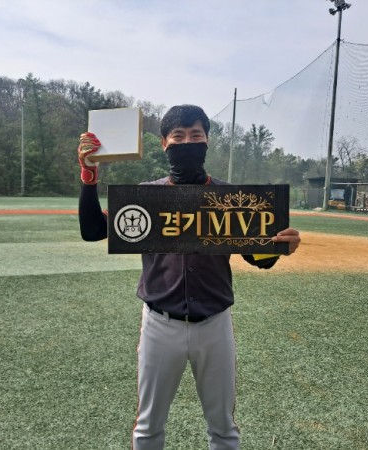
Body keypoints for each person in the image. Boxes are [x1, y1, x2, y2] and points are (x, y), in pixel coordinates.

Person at [78, 105, 301, 449]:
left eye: (196, 135)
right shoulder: (146, 196)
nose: (187, 143)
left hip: (215, 322)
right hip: (159, 322)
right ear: (164, 143)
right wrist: (89, 175)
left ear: (207, 140)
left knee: (223, 427)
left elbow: (258, 257)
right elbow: (93, 229)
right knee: (148, 427)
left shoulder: (231, 198)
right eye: (178, 136)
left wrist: (280, 245)